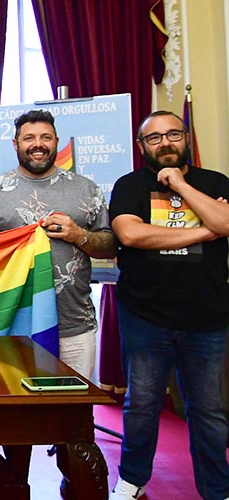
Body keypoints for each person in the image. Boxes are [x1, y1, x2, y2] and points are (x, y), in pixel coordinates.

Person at [108, 110, 229, 500]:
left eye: (173, 134)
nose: (165, 143)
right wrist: (207, 229)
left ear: (186, 137)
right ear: (142, 147)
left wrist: (180, 184)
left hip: (207, 319)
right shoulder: (129, 186)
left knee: (209, 411)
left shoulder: (214, 182)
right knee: (141, 405)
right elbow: (130, 233)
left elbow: (227, 225)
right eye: (154, 138)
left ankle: (217, 488)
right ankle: (132, 480)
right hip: (146, 316)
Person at [0, 109, 117, 380]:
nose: (37, 144)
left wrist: (79, 235)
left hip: (74, 325)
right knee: (20, 412)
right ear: (15, 144)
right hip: (12, 324)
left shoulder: (86, 188)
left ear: (57, 141)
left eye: (45, 137)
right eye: (29, 138)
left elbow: (110, 245)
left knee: (73, 414)